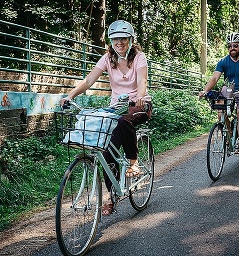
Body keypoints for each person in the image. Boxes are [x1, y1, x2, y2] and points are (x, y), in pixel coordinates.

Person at [59, 20, 152, 216]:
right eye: (115, 39)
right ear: (111, 41)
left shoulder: (139, 57)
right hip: (116, 109)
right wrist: (70, 95)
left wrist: (140, 96)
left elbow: (142, 81)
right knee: (106, 149)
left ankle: (133, 162)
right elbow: (88, 80)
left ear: (130, 40)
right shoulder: (107, 58)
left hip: (139, 105)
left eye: (123, 38)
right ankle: (112, 195)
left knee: (124, 121)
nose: (120, 42)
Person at [199, 32, 239, 155]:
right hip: (229, 90)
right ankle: (230, 133)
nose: (232, 48)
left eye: (235, 45)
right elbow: (214, 78)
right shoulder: (223, 61)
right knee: (220, 112)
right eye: (229, 46)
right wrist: (205, 90)